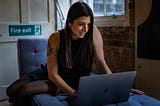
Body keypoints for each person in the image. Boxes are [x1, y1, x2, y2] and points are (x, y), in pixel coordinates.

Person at [6, 1, 160, 106]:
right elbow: (52, 74)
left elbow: (101, 62)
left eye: (88, 24)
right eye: (81, 24)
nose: (85, 29)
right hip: (51, 73)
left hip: (68, 79)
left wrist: (117, 86)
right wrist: (73, 94)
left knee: (25, 91)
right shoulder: (56, 38)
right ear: (69, 22)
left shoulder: (93, 33)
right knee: (11, 90)